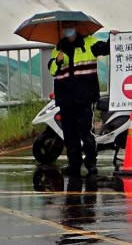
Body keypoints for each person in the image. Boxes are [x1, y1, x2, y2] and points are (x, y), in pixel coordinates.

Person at [48, 23, 117, 176]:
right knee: (70, 135)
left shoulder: (89, 42)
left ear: (77, 29)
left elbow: (105, 49)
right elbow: (52, 70)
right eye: (65, 29)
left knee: (85, 132)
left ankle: (91, 164)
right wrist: (58, 61)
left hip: (85, 97)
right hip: (66, 99)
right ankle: (74, 165)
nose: (68, 31)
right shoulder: (58, 48)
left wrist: (112, 38)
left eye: (70, 28)